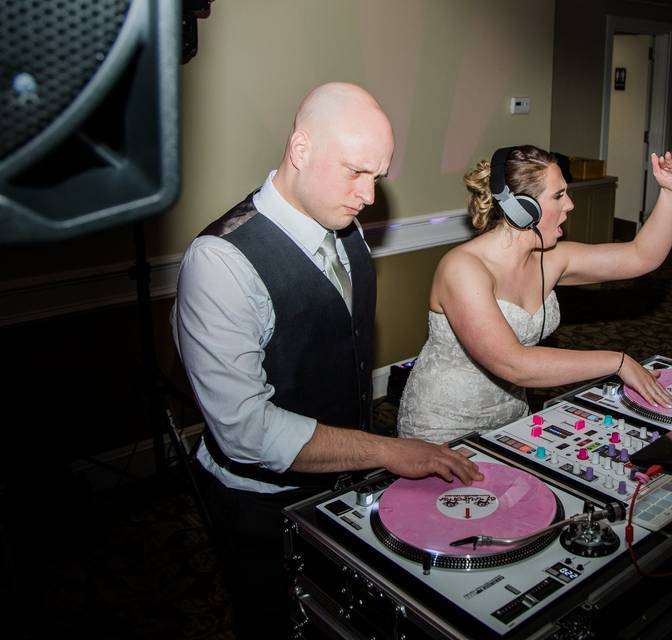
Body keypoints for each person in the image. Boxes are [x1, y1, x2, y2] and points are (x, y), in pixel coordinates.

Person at [172, 82, 481, 639]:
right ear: (300, 149)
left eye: (377, 177)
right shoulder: (219, 261)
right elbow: (247, 431)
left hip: (338, 481)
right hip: (261, 504)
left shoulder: (345, 226)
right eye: (355, 172)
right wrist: (388, 450)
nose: (367, 195)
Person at [398, 145, 672, 443]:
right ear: (522, 208)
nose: (571, 205)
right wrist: (618, 361)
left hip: (512, 418)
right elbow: (514, 364)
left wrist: (670, 193)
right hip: (441, 428)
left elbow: (641, 256)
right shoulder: (463, 269)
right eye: (559, 196)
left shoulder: (551, 259)